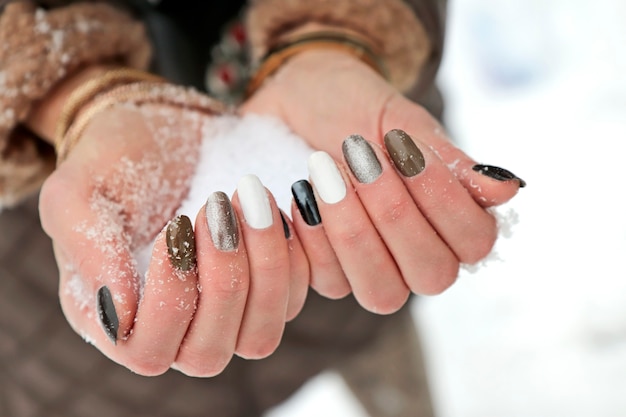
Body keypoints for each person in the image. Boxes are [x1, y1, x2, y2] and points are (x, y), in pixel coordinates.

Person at [0, 0, 524, 415]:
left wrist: (336, 29)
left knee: (386, 359)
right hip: (49, 313)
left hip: (353, 221)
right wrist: (66, 93)